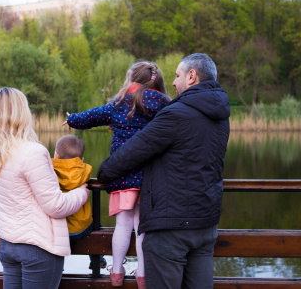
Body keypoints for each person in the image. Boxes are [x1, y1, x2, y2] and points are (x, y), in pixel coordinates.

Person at [97, 53, 231, 289]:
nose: (172, 82)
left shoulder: (175, 114)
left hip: (171, 228)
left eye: (178, 75)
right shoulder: (221, 117)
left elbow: (134, 151)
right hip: (205, 223)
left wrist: (104, 173)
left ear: (192, 76)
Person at [63, 61, 171, 288]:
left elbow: (93, 116)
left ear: (132, 79)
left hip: (123, 174)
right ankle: (142, 275)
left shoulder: (120, 103)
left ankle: (117, 273)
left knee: (122, 225)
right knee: (143, 228)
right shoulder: (164, 105)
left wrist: (73, 119)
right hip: (150, 176)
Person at [0, 87, 89, 289]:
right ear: (22, 113)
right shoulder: (33, 152)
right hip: (37, 249)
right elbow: (55, 205)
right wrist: (81, 193)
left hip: (8, 245)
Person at [51, 134, 107, 269]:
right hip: (81, 228)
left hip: (56, 231)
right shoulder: (84, 171)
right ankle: (97, 259)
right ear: (81, 159)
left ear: (56, 155)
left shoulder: (50, 170)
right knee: (95, 221)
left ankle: (58, 265)